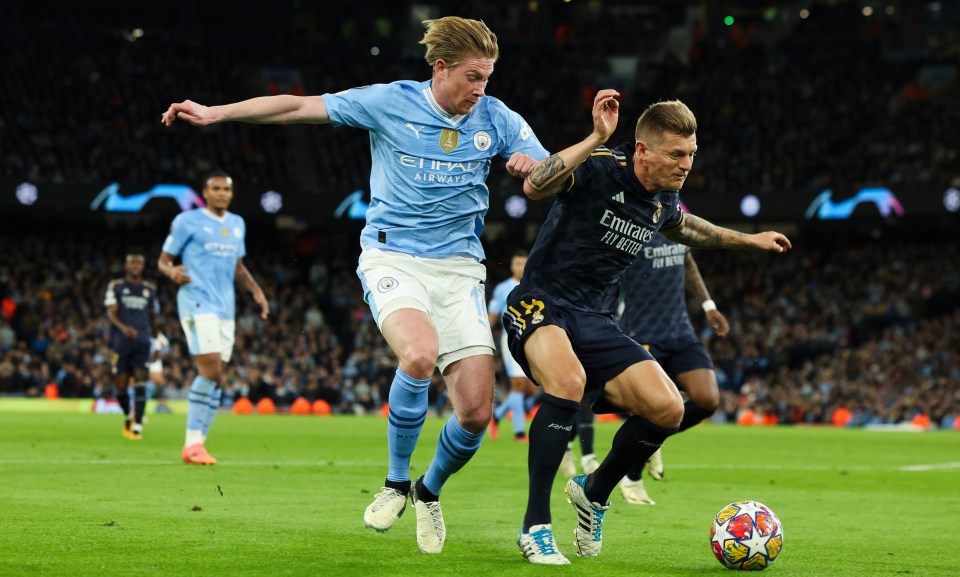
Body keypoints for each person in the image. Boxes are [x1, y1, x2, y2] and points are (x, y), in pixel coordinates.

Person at [161, 17, 547, 554]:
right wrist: (217, 112)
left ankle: (426, 490)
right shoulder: (389, 102)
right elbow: (298, 106)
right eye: (472, 77)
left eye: (487, 78)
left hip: (461, 268)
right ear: (440, 69)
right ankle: (393, 482)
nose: (481, 89)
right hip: (393, 256)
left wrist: (545, 165)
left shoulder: (497, 117)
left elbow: (548, 177)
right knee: (417, 356)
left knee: (477, 414)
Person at [503, 94, 791, 564]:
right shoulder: (599, 167)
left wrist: (749, 240)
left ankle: (593, 493)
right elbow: (535, 186)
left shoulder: (664, 197)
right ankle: (535, 525)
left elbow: (689, 229)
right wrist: (596, 135)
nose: (686, 164)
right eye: (677, 154)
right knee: (568, 384)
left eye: (692, 154)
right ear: (642, 150)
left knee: (668, 407)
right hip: (542, 302)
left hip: (595, 319)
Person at [157, 171, 270, 465]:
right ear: (205, 193)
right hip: (196, 301)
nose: (221, 193)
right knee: (209, 371)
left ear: (231, 194)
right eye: (215, 188)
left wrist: (256, 290)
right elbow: (163, 261)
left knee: (218, 377)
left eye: (226, 189)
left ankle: (199, 445)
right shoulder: (187, 221)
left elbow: (238, 265)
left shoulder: (237, 224)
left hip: (225, 308)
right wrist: (172, 273)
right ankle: (192, 444)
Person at [616, 234, 730, 505]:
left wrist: (708, 305)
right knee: (649, 410)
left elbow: (687, 259)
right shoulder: (633, 221)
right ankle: (631, 476)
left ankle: (655, 440)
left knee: (707, 400)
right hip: (641, 332)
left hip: (680, 332)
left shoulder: (677, 215)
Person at [104, 248, 160, 440]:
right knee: (120, 385)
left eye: (139, 263)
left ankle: (137, 424)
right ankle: (129, 414)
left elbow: (153, 316)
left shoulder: (150, 289)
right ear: (126, 265)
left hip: (143, 341)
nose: (136, 266)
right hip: (121, 342)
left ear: (143, 267)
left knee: (141, 380)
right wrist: (124, 328)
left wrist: (158, 339)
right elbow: (111, 313)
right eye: (132, 263)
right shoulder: (116, 286)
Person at [487, 250, 536, 442]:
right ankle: (519, 433)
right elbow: (492, 315)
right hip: (511, 341)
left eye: (524, 263)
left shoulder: (534, 287)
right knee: (518, 386)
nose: (521, 267)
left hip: (531, 341)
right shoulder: (502, 289)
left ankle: (498, 414)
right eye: (517, 263)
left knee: (530, 389)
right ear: (511, 266)